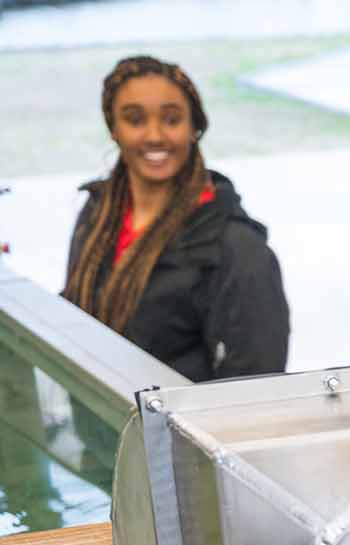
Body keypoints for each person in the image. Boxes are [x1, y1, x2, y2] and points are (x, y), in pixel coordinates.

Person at [64, 55, 288, 380]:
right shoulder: (97, 215)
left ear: (193, 128)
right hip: (101, 422)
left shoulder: (235, 248)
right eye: (135, 119)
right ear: (113, 129)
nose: (155, 136)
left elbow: (256, 382)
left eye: (171, 120)